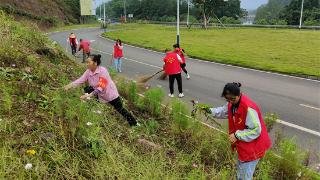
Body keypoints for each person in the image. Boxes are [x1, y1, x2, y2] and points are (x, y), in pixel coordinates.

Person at [205, 82, 271, 180]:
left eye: (232, 99)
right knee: (241, 174)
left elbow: (256, 130)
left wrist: (236, 135)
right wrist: (208, 110)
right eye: (228, 99)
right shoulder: (232, 104)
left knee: (243, 177)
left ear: (239, 95)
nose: (230, 101)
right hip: (245, 146)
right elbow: (223, 111)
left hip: (253, 148)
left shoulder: (248, 108)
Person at [64, 54, 139, 127]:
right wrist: (69, 86)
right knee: (88, 89)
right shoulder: (88, 71)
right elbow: (81, 80)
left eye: (88, 62)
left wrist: (89, 95)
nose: (87, 64)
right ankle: (95, 116)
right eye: (86, 62)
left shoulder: (103, 71)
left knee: (120, 109)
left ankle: (134, 123)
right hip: (99, 94)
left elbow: (101, 87)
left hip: (110, 94)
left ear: (95, 63)